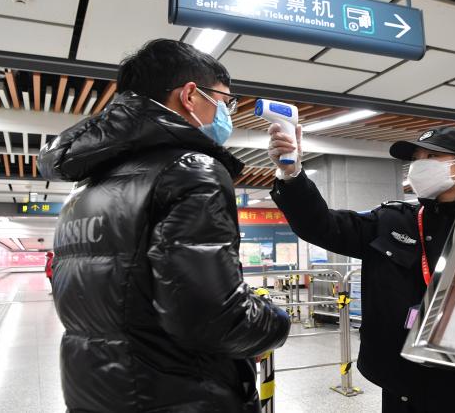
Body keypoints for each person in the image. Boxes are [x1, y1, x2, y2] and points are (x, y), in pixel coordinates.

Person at [38, 39, 290, 412]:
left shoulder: (86, 185)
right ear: (190, 96)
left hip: (96, 389)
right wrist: (274, 320)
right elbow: (212, 318)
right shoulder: (190, 169)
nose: (227, 113)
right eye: (224, 100)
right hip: (178, 393)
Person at [267, 125, 455, 412]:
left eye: (432, 156)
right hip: (404, 381)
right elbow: (322, 226)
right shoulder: (392, 221)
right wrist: (292, 175)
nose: (419, 165)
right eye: (416, 158)